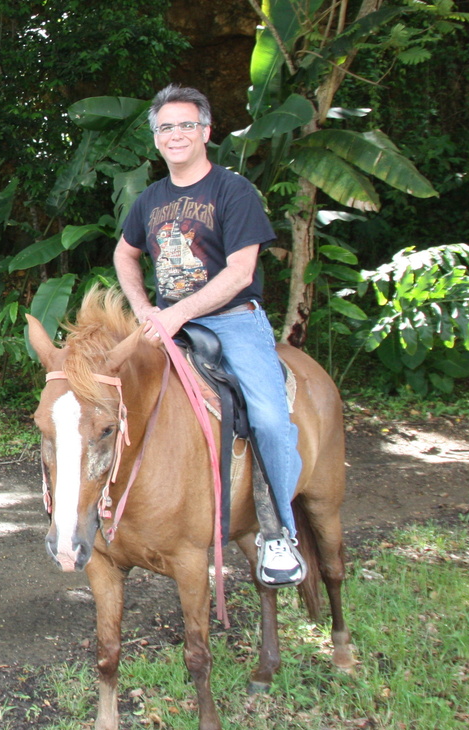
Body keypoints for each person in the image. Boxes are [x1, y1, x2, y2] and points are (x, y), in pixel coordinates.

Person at [113, 84, 306, 586]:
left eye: (185, 125)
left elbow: (241, 272)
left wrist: (178, 316)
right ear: (155, 138)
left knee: (267, 418)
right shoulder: (150, 199)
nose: (175, 135)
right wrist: (146, 310)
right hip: (166, 324)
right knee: (104, 397)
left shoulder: (232, 190)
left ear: (205, 131)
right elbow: (124, 253)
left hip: (232, 321)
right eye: (164, 128)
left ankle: (279, 531)